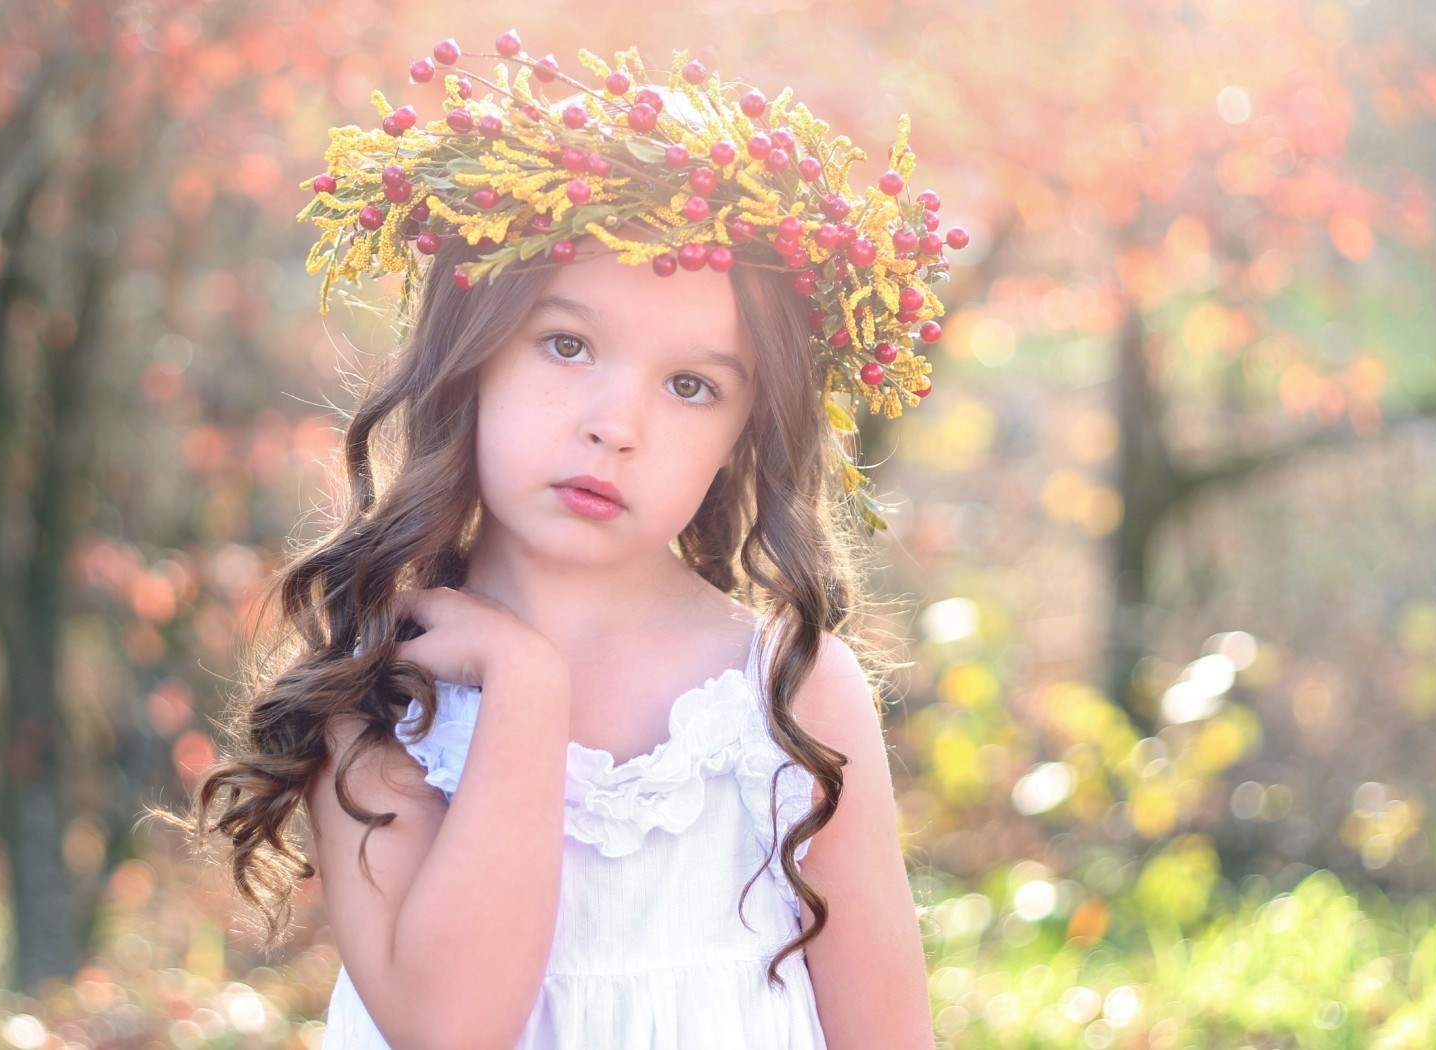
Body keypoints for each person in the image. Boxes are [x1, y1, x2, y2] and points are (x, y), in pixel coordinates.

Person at [172, 35, 967, 1049]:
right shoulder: (380, 689)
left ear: (739, 440)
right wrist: (524, 688)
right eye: (568, 344)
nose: (615, 423)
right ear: (474, 359)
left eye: (691, 386)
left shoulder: (789, 690)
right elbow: (457, 1029)